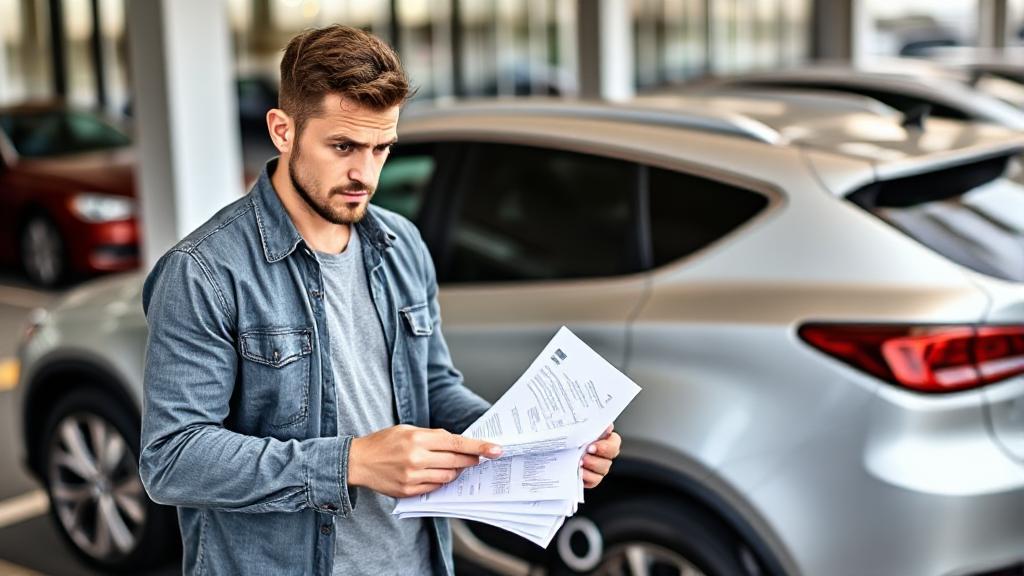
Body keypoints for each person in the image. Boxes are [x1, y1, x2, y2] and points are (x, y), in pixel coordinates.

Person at [139, 25, 621, 576]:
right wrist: (350, 463)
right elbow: (173, 459)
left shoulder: (402, 245)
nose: (365, 174)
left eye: (382, 148)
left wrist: (534, 448)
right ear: (282, 130)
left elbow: (435, 387)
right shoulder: (202, 272)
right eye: (343, 146)